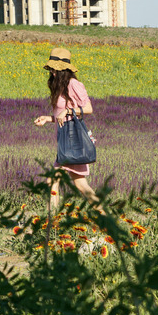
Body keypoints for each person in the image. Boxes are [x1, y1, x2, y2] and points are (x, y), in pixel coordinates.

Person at [33, 47, 100, 213]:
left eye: (55, 69)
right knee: (81, 186)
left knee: (53, 181)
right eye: (50, 69)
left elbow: (89, 108)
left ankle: (51, 223)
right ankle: (107, 218)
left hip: (72, 142)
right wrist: (48, 118)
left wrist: (68, 111)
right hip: (65, 141)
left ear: (64, 70)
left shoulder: (73, 84)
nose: (52, 72)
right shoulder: (60, 86)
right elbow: (63, 115)